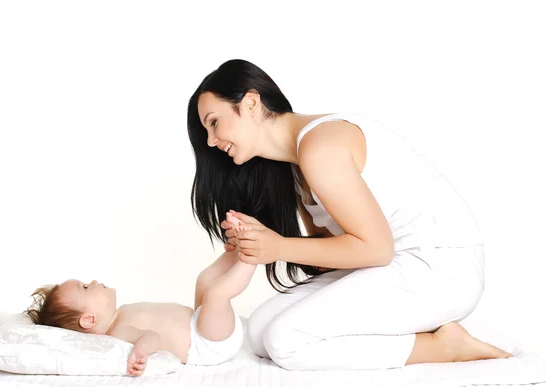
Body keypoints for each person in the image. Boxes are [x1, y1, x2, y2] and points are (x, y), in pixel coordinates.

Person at [186, 58, 513, 371]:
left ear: (251, 104)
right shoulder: (298, 164)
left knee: (286, 341)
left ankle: (444, 347)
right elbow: (335, 254)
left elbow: (375, 249)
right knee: (259, 332)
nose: (212, 141)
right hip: (397, 265)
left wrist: (279, 246)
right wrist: (259, 239)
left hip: (440, 269)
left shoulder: (319, 148)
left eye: (213, 122)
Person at [25, 217, 254, 377]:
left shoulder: (120, 313)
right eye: (85, 288)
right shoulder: (118, 332)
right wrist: (140, 351)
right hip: (207, 345)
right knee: (215, 294)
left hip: (200, 323)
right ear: (89, 319)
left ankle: (235, 249)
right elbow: (151, 337)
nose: (93, 282)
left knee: (204, 280)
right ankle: (251, 257)